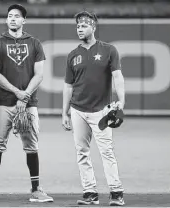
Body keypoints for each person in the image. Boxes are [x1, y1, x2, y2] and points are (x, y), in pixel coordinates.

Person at [0, 4, 53, 203]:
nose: (12, 19)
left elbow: (39, 75)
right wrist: (18, 93)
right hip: (4, 102)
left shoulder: (35, 43)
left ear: (23, 21)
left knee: (31, 146)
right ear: (6, 20)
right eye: (9, 16)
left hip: (28, 104)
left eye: (17, 16)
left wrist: (25, 96)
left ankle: (36, 189)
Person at [62, 11, 125, 206]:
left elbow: (117, 77)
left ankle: (116, 192)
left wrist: (120, 102)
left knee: (106, 151)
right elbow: (68, 86)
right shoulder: (73, 55)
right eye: (78, 26)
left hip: (101, 111)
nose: (79, 29)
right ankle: (90, 192)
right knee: (82, 151)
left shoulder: (108, 50)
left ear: (93, 27)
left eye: (83, 26)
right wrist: (64, 111)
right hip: (78, 110)